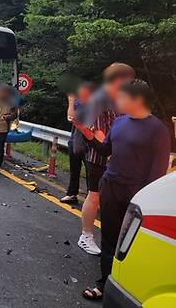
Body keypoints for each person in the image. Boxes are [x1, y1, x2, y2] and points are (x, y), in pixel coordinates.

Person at [75, 80, 170, 300]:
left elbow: (156, 175)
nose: (117, 101)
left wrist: (145, 201)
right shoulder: (119, 122)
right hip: (110, 186)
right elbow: (104, 149)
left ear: (137, 100)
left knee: (131, 243)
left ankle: (130, 286)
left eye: (123, 97)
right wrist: (87, 133)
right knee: (109, 238)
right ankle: (104, 283)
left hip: (136, 193)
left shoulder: (158, 130)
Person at [76, 63, 135, 256]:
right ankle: (86, 236)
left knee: (115, 198)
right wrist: (111, 154)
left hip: (118, 156)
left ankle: (114, 237)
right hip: (100, 156)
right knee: (94, 194)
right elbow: (99, 132)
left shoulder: (119, 99)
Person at [60, 81, 95, 203]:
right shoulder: (77, 103)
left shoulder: (94, 105)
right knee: (74, 168)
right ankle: (72, 193)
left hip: (89, 141)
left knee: (90, 171)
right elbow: (70, 118)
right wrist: (71, 102)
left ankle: (91, 197)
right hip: (76, 139)